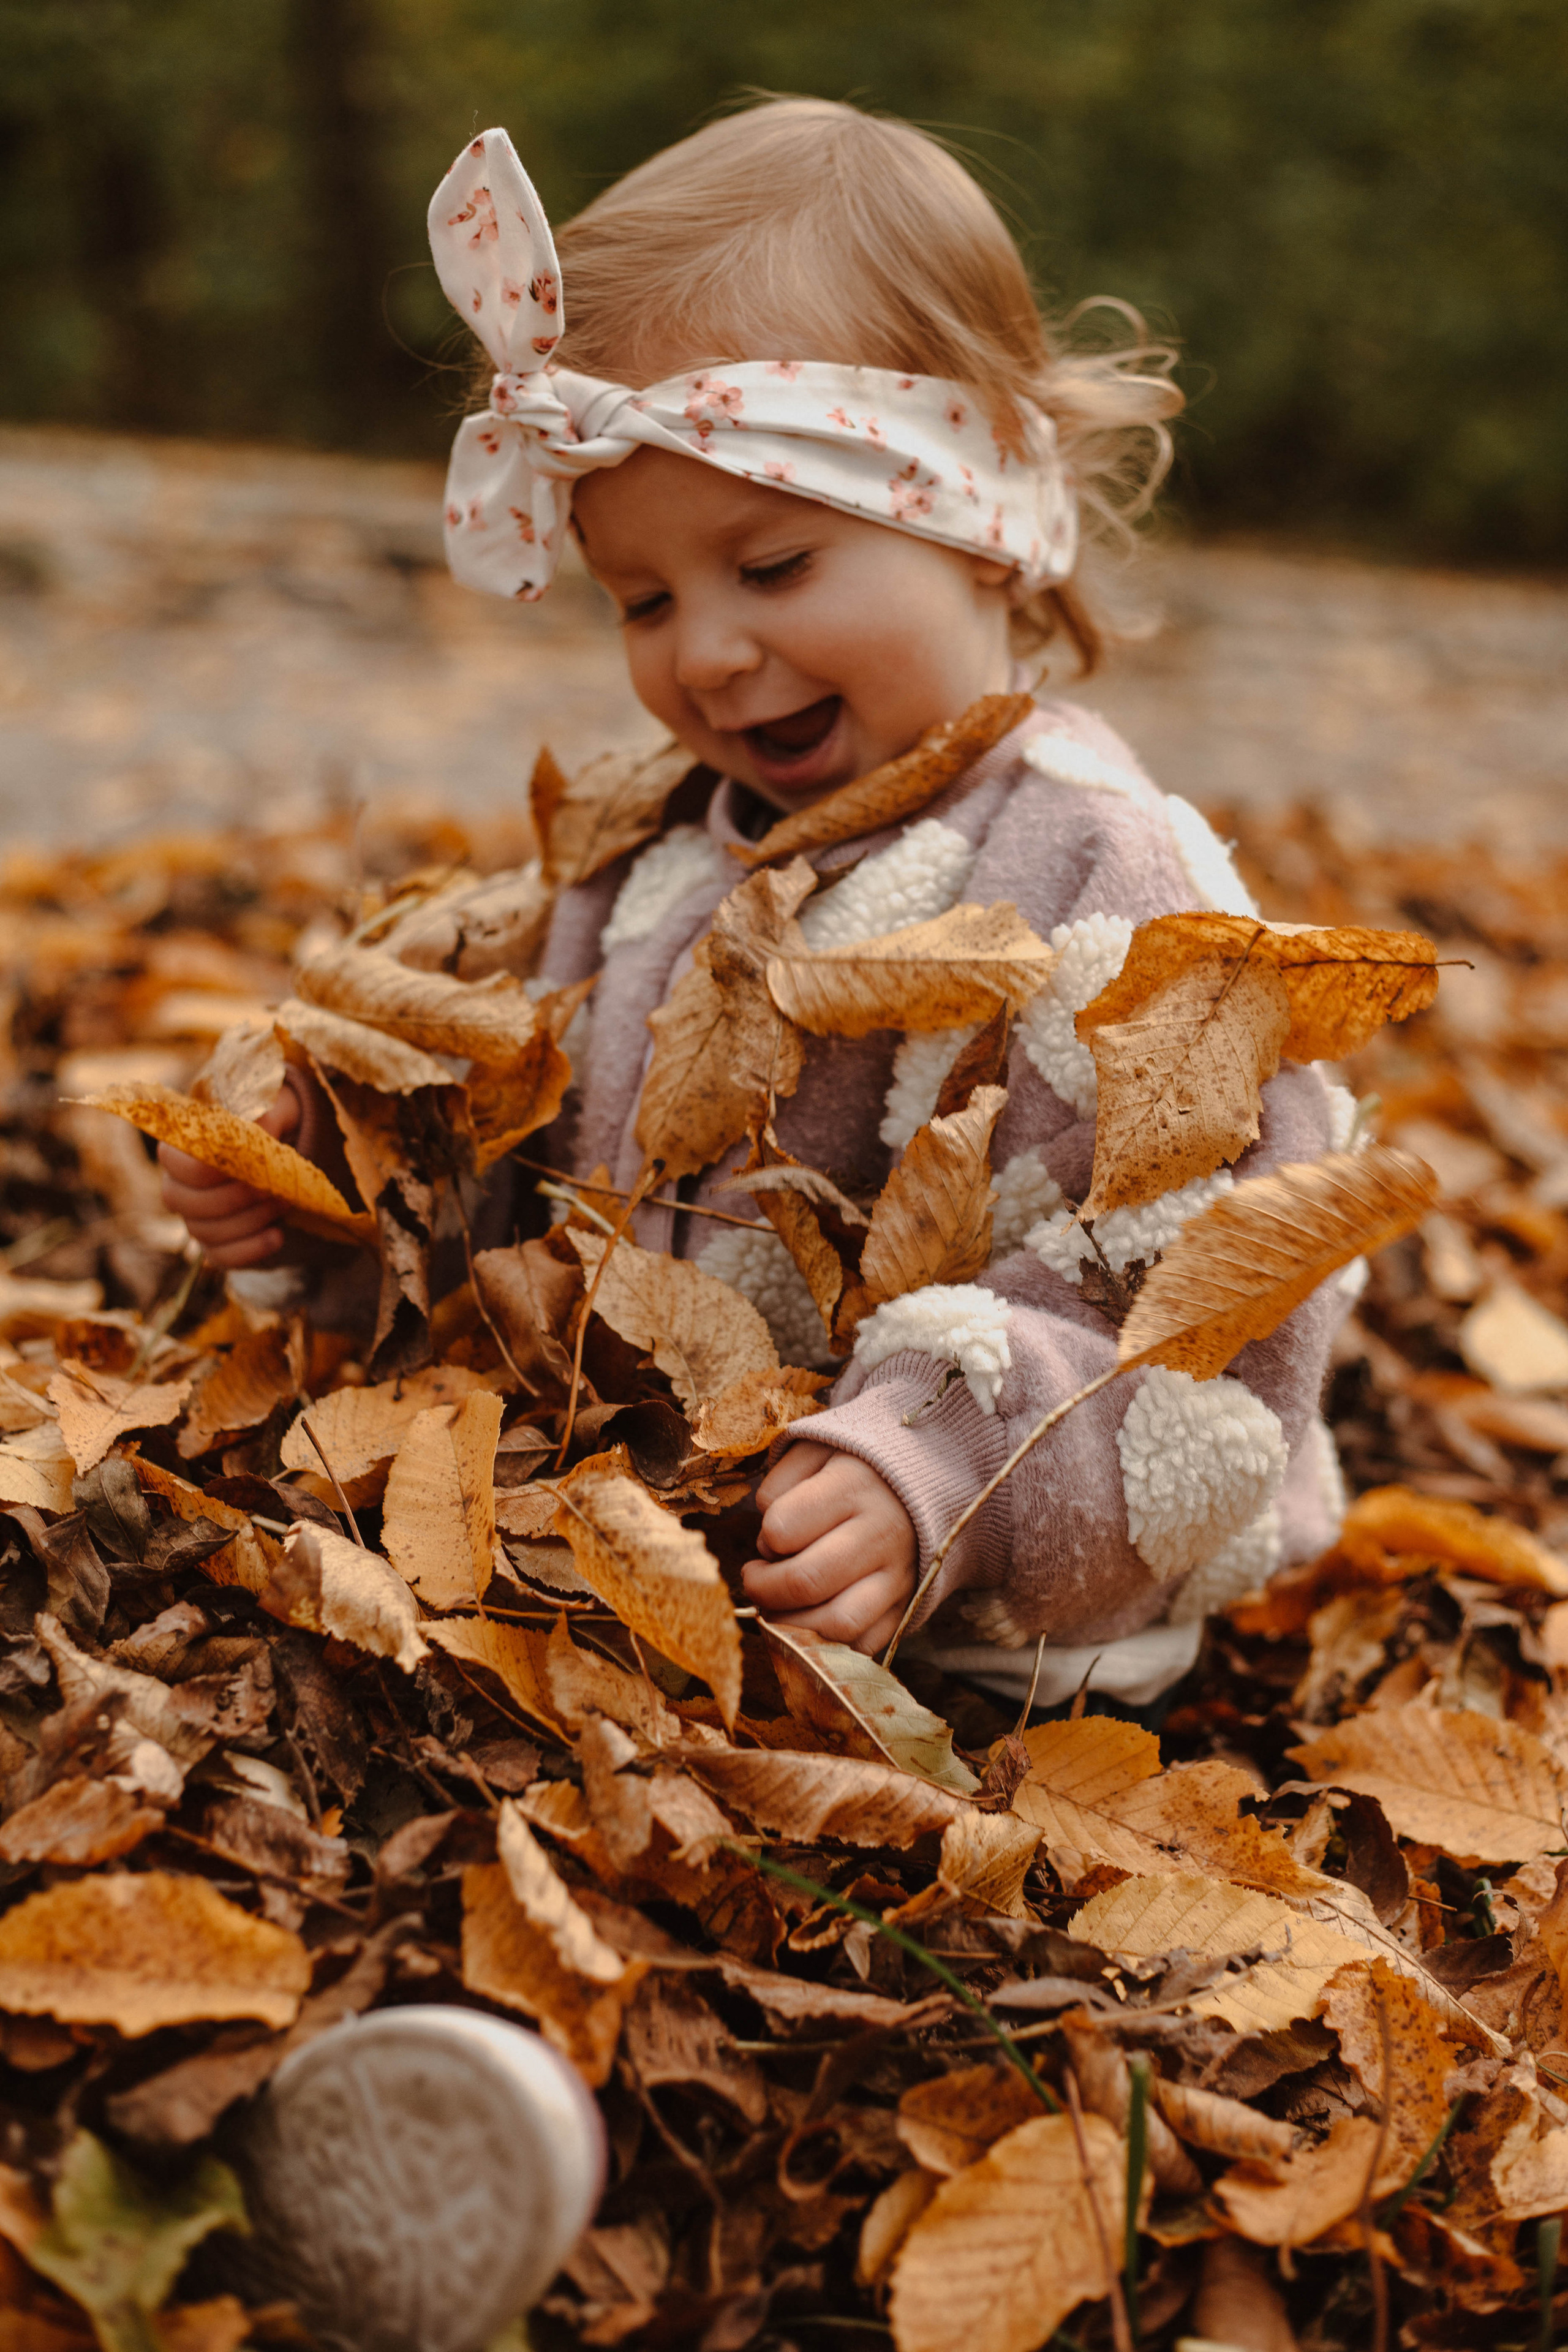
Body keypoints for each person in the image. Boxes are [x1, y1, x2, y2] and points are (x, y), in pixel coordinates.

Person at [162, 97, 1355, 1725]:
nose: (705, 653)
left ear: (982, 513)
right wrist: (337, 1192)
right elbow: (534, 1183)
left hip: (1005, 1626)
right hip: (632, 1548)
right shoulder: (645, 856)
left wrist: (929, 1469)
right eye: (643, 599)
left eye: (775, 566)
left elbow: (1208, 1280)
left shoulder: (1114, 885)